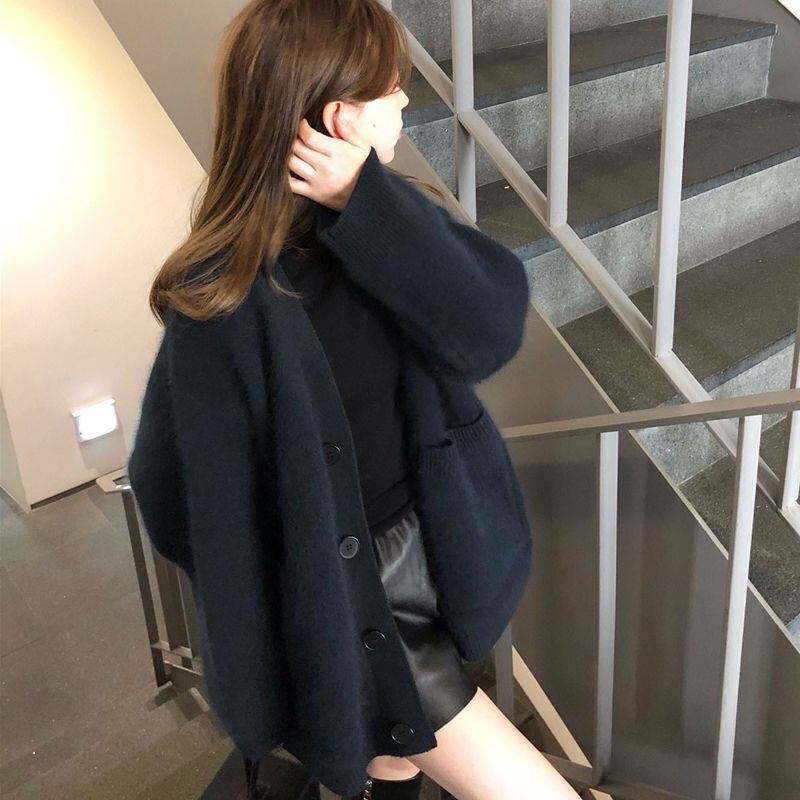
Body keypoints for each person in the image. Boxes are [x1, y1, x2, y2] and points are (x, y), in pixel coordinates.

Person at [127, 1, 583, 798]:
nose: (405, 100)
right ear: (341, 116)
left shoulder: (389, 224)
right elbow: (168, 486)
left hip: (433, 562)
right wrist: (291, 572)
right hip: (355, 604)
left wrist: (366, 202)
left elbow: (492, 326)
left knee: (392, 760)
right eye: (392, 87)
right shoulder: (225, 298)